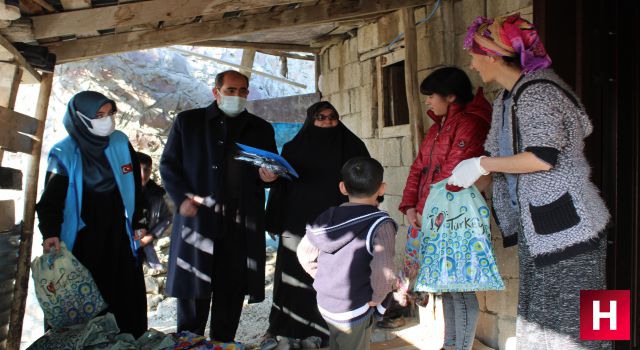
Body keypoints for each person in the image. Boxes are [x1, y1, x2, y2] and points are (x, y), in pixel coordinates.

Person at [451, 14, 611, 349]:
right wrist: (461, 188)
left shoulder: (539, 92)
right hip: (541, 229)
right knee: (543, 324)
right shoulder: (507, 99)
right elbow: (500, 159)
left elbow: (541, 157)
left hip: (573, 229)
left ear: (493, 56)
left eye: (475, 54)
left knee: (588, 326)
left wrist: (480, 163)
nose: (472, 63)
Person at [160, 70, 279, 341]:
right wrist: (182, 199)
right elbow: (168, 165)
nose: (237, 96)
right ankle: (189, 343)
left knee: (231, 290)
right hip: (199, 220)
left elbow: (268, 172)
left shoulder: (261, 129)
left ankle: (222, 344)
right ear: (216, 92)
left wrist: (268, 177)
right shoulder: (188, 123)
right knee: (193, 290)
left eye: (243, 91)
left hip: (240, 223)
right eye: (231, 90)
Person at [36, 91, 148, 337]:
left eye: (109, 114)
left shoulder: (119, 142)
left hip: (118, 234)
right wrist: (50, 233)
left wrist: (139, 221)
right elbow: (50, 201)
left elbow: (135, 189)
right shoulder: (63, 153)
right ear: (80, 118)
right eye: (98, 115)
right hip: (82, 239)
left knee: (126, 299)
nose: (106, 120)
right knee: (84, 301)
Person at [261, 101, 370, 349]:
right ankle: (286, 327)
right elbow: (280, 187)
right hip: (297, 225)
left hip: (338, 226)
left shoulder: (353, 146)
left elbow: (366, 180)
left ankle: (326, 331)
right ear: (311, 120)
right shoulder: (292, 148)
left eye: (332, 117)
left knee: (332, 277)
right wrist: (275, 219)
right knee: (293, 275)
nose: (327, 122)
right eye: (320, 118)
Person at [398, 67, 492, 350]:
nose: (427, 102)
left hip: (454, 218)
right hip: (433, 217)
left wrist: (425, 212)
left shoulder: (469, 124)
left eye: (431, 96)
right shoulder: (438, 128)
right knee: (449, 289)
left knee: (460, 289)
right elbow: (419, 168)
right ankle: (450, 345)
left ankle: (457, 347)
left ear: (450, 96)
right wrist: (410, 207)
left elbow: (451, 177)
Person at [297, 157, 397, 350]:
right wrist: (377, 298)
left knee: (337, 343)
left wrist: (322, 277)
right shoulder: (381, 224)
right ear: (382, 188)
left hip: (326, 304)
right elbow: (383, 270)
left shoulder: (327, 217)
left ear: (343, 188)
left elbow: (304, 251)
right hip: (354, 309)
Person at [137, 151, 172, 270]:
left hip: (142, 247)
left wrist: (151, 236)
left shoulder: (155, 194)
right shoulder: (118, 191)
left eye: (146, 170)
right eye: (138, 169)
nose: (143, 174)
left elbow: (167, 217)